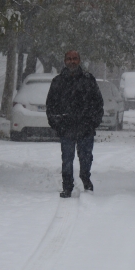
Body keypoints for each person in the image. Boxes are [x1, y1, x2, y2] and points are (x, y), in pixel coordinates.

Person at [46, 51, 104, 198]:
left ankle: (85, 178)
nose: (72, 62)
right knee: (67, 158)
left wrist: (93, 122)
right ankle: (67, 186)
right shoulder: (58, 81)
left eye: (75, 59)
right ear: (65, 61)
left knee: (86, 157)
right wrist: (56, 123)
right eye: (69, 59)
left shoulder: (88, 80)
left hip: (86, 126)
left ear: (79, 61)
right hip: (66, 127)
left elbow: (98, 102)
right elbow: (51, 105)